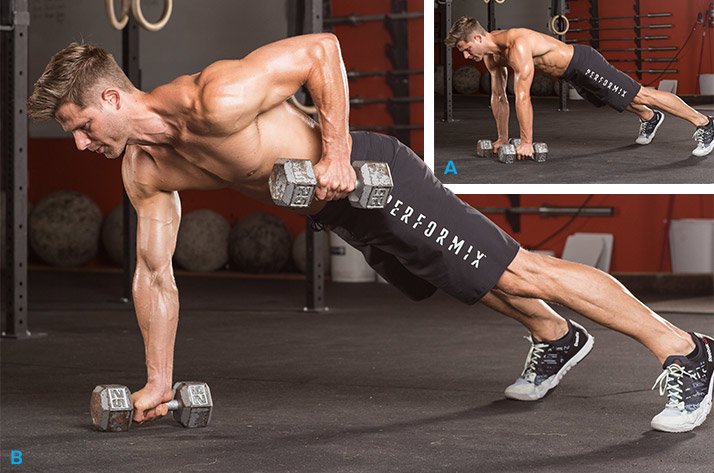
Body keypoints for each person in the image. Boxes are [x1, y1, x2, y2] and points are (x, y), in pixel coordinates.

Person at [28, 34, 712, 433]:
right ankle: (556, 337)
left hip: (367, 172)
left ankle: (684, 350)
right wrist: (158, 381)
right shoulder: (145, 169)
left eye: (84, 126)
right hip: (339, 210)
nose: (84, 144)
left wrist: (331, 150)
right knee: (463, 276)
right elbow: (152, 273)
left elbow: (323, 50)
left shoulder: (215, 96)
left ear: (111, 99)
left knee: (516, 267)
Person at [444, 17, 714, 160]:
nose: (467, 57)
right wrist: (502, 138)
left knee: (640, 93)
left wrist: (526, 142)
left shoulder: (518, 43)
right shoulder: (492, 57)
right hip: (571, 75)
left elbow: (522, 95)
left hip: (582, 62)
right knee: (616, 98)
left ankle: (704, 123)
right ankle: (649, 117)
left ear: (478, 37)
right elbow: (499, 97)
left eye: (467, 50)